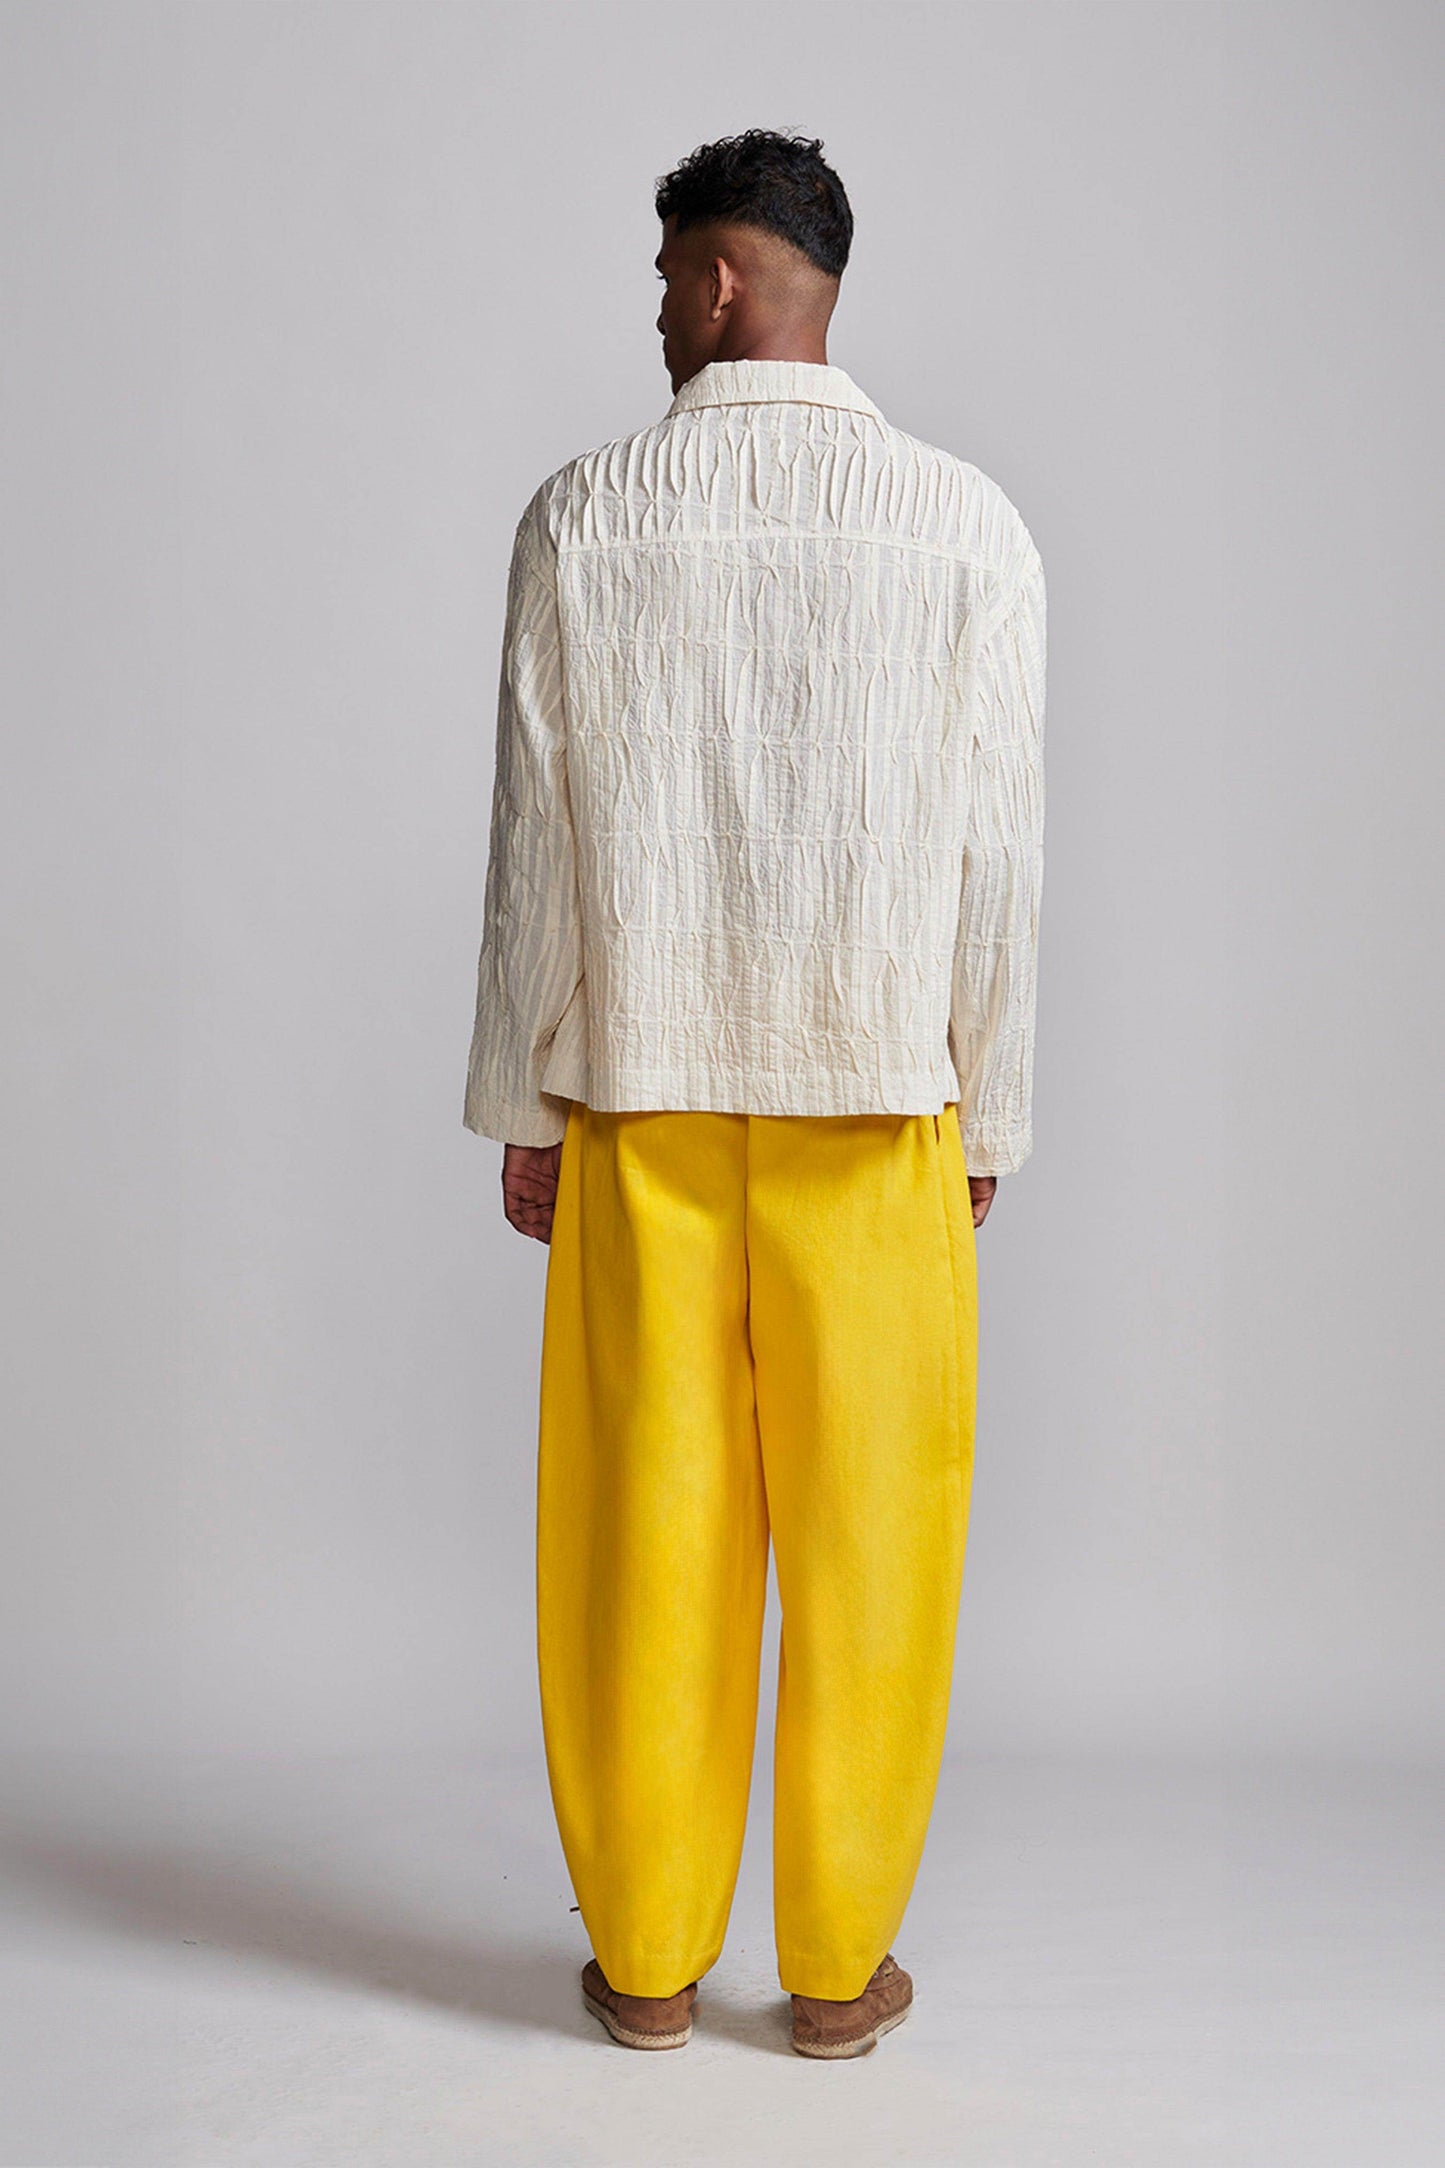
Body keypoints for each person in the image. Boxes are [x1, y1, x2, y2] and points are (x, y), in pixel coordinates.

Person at [463, 128, 1045, 2059]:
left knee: (643, 1534)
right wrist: (989, 1112)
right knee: (878, 1544)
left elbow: (535, 843)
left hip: (643, 1104)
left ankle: (643, 1963)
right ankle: (834, 1975)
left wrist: (526, 1101)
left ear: (720, 278)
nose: (654, 312)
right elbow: (998, 856)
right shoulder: (966, 525)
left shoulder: (581, 516)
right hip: (874, 1112)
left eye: (664, 279)